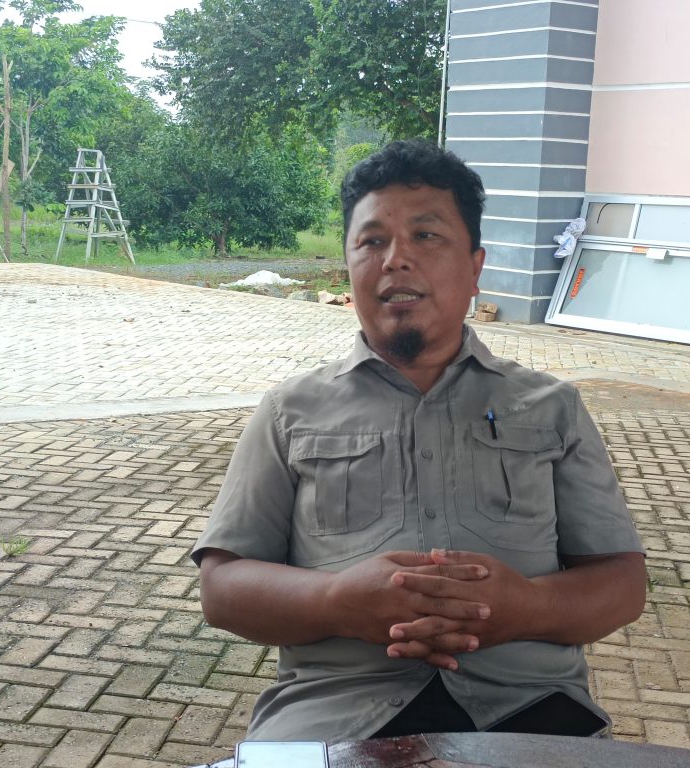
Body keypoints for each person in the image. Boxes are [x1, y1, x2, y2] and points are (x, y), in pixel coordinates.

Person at [191, 139, 646, 744]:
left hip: (531, 712)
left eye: (426, 236)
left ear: (475, 267)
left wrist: (527, 609)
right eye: (372, 241)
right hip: (329, 714)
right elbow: (222, 587)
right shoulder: (288, 410)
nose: (396, 260)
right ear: (349, 266)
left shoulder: (552, 406)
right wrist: (334, 602)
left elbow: (621, 580)